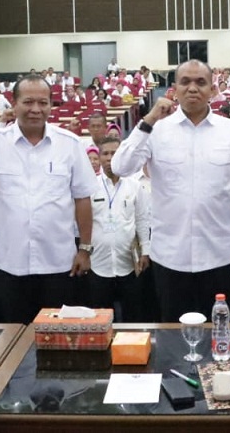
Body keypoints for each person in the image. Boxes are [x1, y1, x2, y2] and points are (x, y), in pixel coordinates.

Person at [112, 60, 230, 323]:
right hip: (170, 257)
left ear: (212, 89)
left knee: (219, 334)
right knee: (172, 335)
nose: (193, 88)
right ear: (174, 89)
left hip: (219, 255)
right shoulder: (155, 130)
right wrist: (147, 120)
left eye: (200, 82)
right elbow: (121, 166)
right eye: (185, 82)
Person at [0, 75, 97, 324]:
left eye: (43, 103)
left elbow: (82, 198)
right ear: (14, 103)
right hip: (11, 264)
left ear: (51, 105)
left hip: (59, 262)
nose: (35, 109)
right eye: (28, 102)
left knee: (57, 339)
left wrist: (85, 249)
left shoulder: (70, 144)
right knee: (14, 340)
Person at [87, 137, 151, 322]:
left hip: (129, 264)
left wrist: (146, 251)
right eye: (105, 154)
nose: (109, 158)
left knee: (133, 316)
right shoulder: (90, 186)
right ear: (98, 158)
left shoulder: (135, 186)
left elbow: (141, 219)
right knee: (100, 319)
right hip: (98, 263)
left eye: (114, 153)